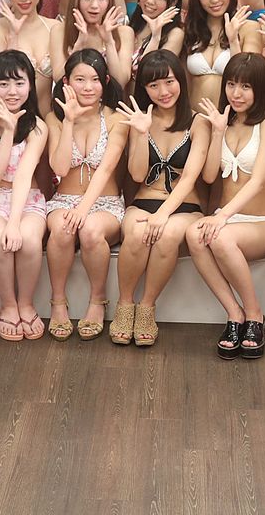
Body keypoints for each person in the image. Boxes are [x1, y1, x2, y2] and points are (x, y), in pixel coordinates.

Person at [187, 53, 265, 360]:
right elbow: (209, 176)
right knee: (193, 235)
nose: (236, 93)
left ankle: (255, 314)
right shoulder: (223, 122)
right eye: (231, 84)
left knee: (219, 236)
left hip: (261, 221)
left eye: (245, 87)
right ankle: (234, 313)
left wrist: (222, 217)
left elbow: (258, 181)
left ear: (260, 89)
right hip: (226, 218)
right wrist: (217, 132)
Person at [110, 51, 210, 347]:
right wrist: (141, 133)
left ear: (181, 81)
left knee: (167, 236)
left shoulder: (198, 122)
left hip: (185, 206)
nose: (163, 91)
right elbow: (137, 174)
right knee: (137, 233)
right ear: (144, 88)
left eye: (169, 81)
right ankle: (125, 304)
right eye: (153, 85)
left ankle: (147, 307)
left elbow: (190, 177)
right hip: (144, 201)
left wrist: (163, 213)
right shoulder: (140, 120)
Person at [45, 49, 129, 341]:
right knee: (62, 229)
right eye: (80, 79)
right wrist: (68, 121)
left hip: (105, 203)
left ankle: (97, 300)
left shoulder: (116, 118)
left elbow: (106, 169)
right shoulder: (54, 118)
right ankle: (57, 302)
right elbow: (59, 168)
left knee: (91, 230)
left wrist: (83, 209)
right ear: (67, 82)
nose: (88, 87)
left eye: (95, 79)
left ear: (105, 81)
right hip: (63, 200)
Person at [0, 50, 49, 341]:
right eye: (3, 84)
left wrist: (14, 222)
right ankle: (8, 304)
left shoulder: (38, 126)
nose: (12, 91)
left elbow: (24, 176)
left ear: (30, 85)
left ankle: (26, 303)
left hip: (27, 199)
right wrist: (7, 132)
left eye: (19, 83)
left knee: (28, 240)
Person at [180, 0, 257, 110]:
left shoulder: (249, 28)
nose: (214, 0)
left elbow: (250, 76)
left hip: (232, 115)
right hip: (195, 116)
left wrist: (233, 40)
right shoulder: (191, 30)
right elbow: (184, 82)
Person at [0, 0, 58, 115]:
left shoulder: (55, 27)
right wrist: (13, 35)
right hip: (8, 116)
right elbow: (0, 75)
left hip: (48, 117)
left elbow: (63, 75)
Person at [50, 0, 136, 88]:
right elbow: (59, 79)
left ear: (109, 0)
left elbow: (120, 82)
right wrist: (78, 46)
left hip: (110, 100)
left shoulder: (124, 33)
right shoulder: (59, 31)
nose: (94, 5)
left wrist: (109, 42)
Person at [128, 0, 185, 81]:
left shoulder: (175, 34)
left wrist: (155, 37)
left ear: (173, 2)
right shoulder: (132, 25)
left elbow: (152, 74)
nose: (150, 1)